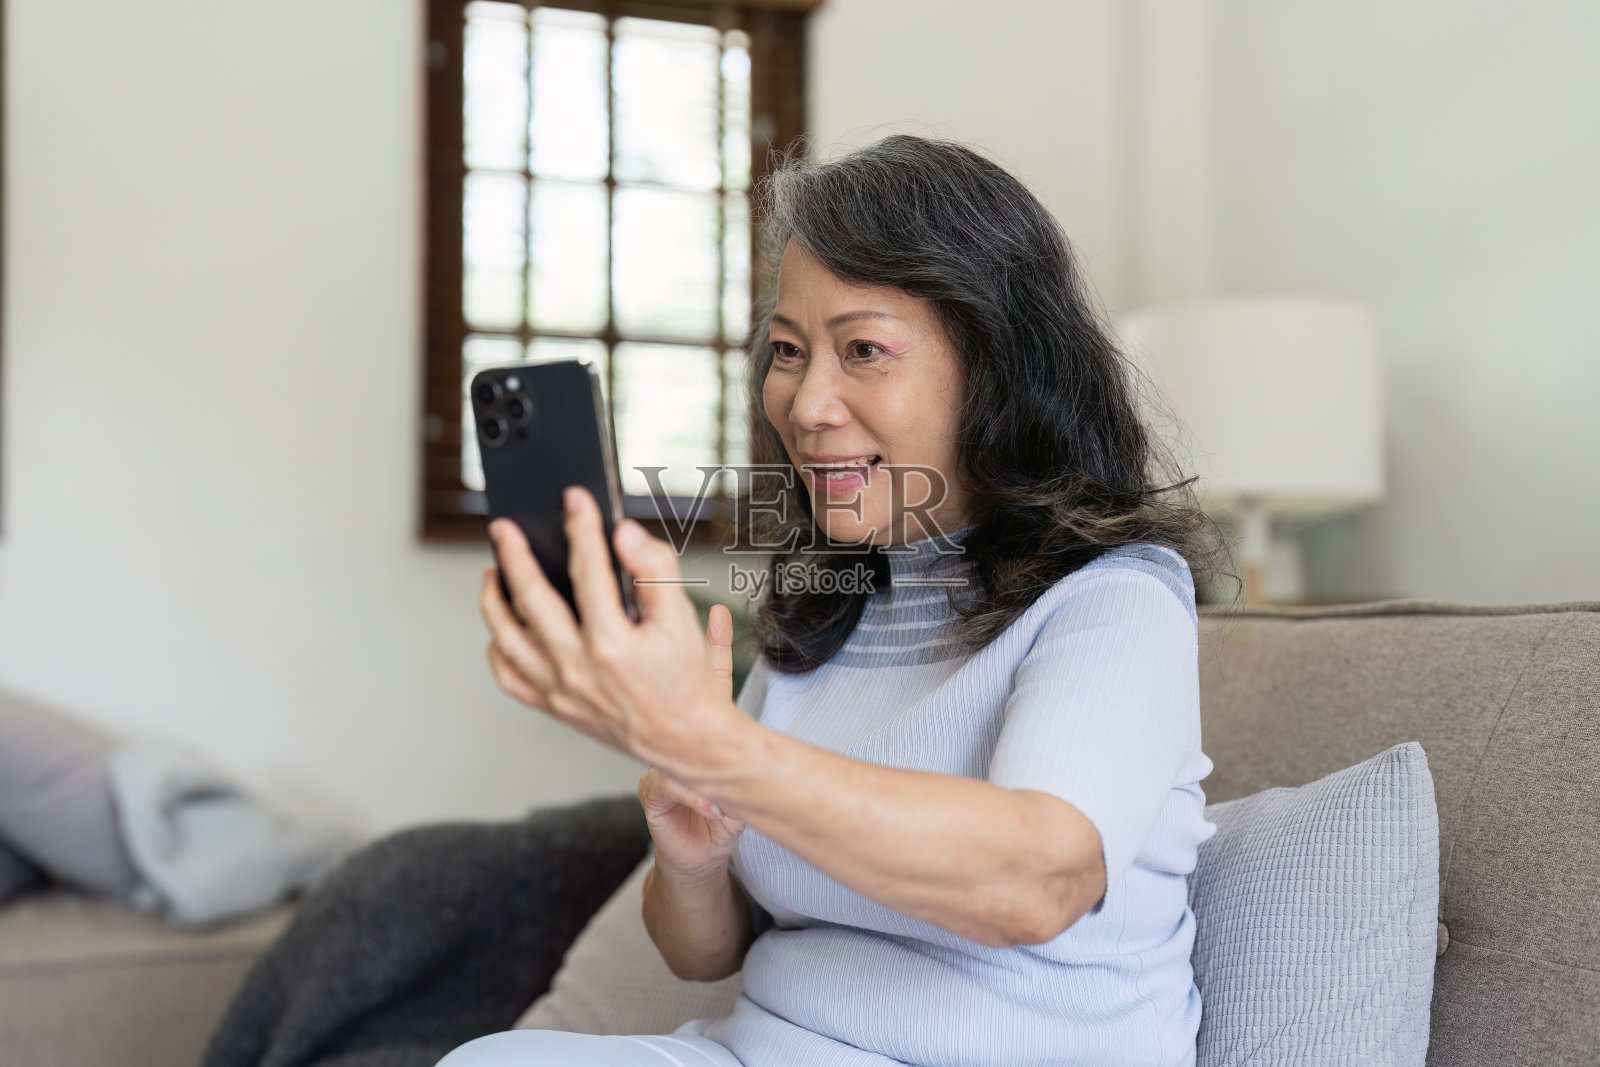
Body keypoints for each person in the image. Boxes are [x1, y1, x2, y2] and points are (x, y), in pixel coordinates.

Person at [441, 134, 1229, 1067]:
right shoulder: (831, 606)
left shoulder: (1116, 601)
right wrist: (693, 856)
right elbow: (704, 952)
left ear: (997, 370)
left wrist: (718, 746)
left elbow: (1035, 880)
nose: (808, 403)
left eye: (863, 349)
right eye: (787, 350)